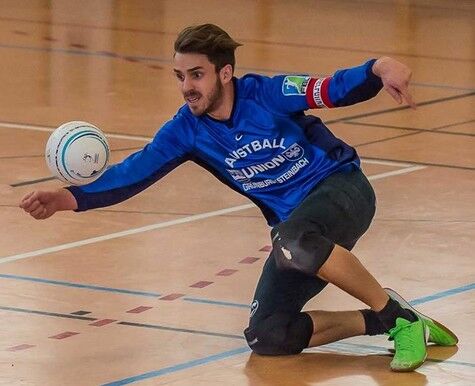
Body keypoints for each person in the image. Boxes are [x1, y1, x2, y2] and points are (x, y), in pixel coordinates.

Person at [19, 24, 457, 372]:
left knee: (292, 237)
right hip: (298, 238)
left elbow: (329, 88)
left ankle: (396, 319)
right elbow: (134, 173)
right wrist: (68, 198)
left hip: (342, 190)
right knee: (269, 335)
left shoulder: (267, 95)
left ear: (224, 73)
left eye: (196, 74)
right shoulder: (187, 130)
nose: (187, 86)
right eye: (180, 76)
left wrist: (377, 68)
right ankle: (385, 316)